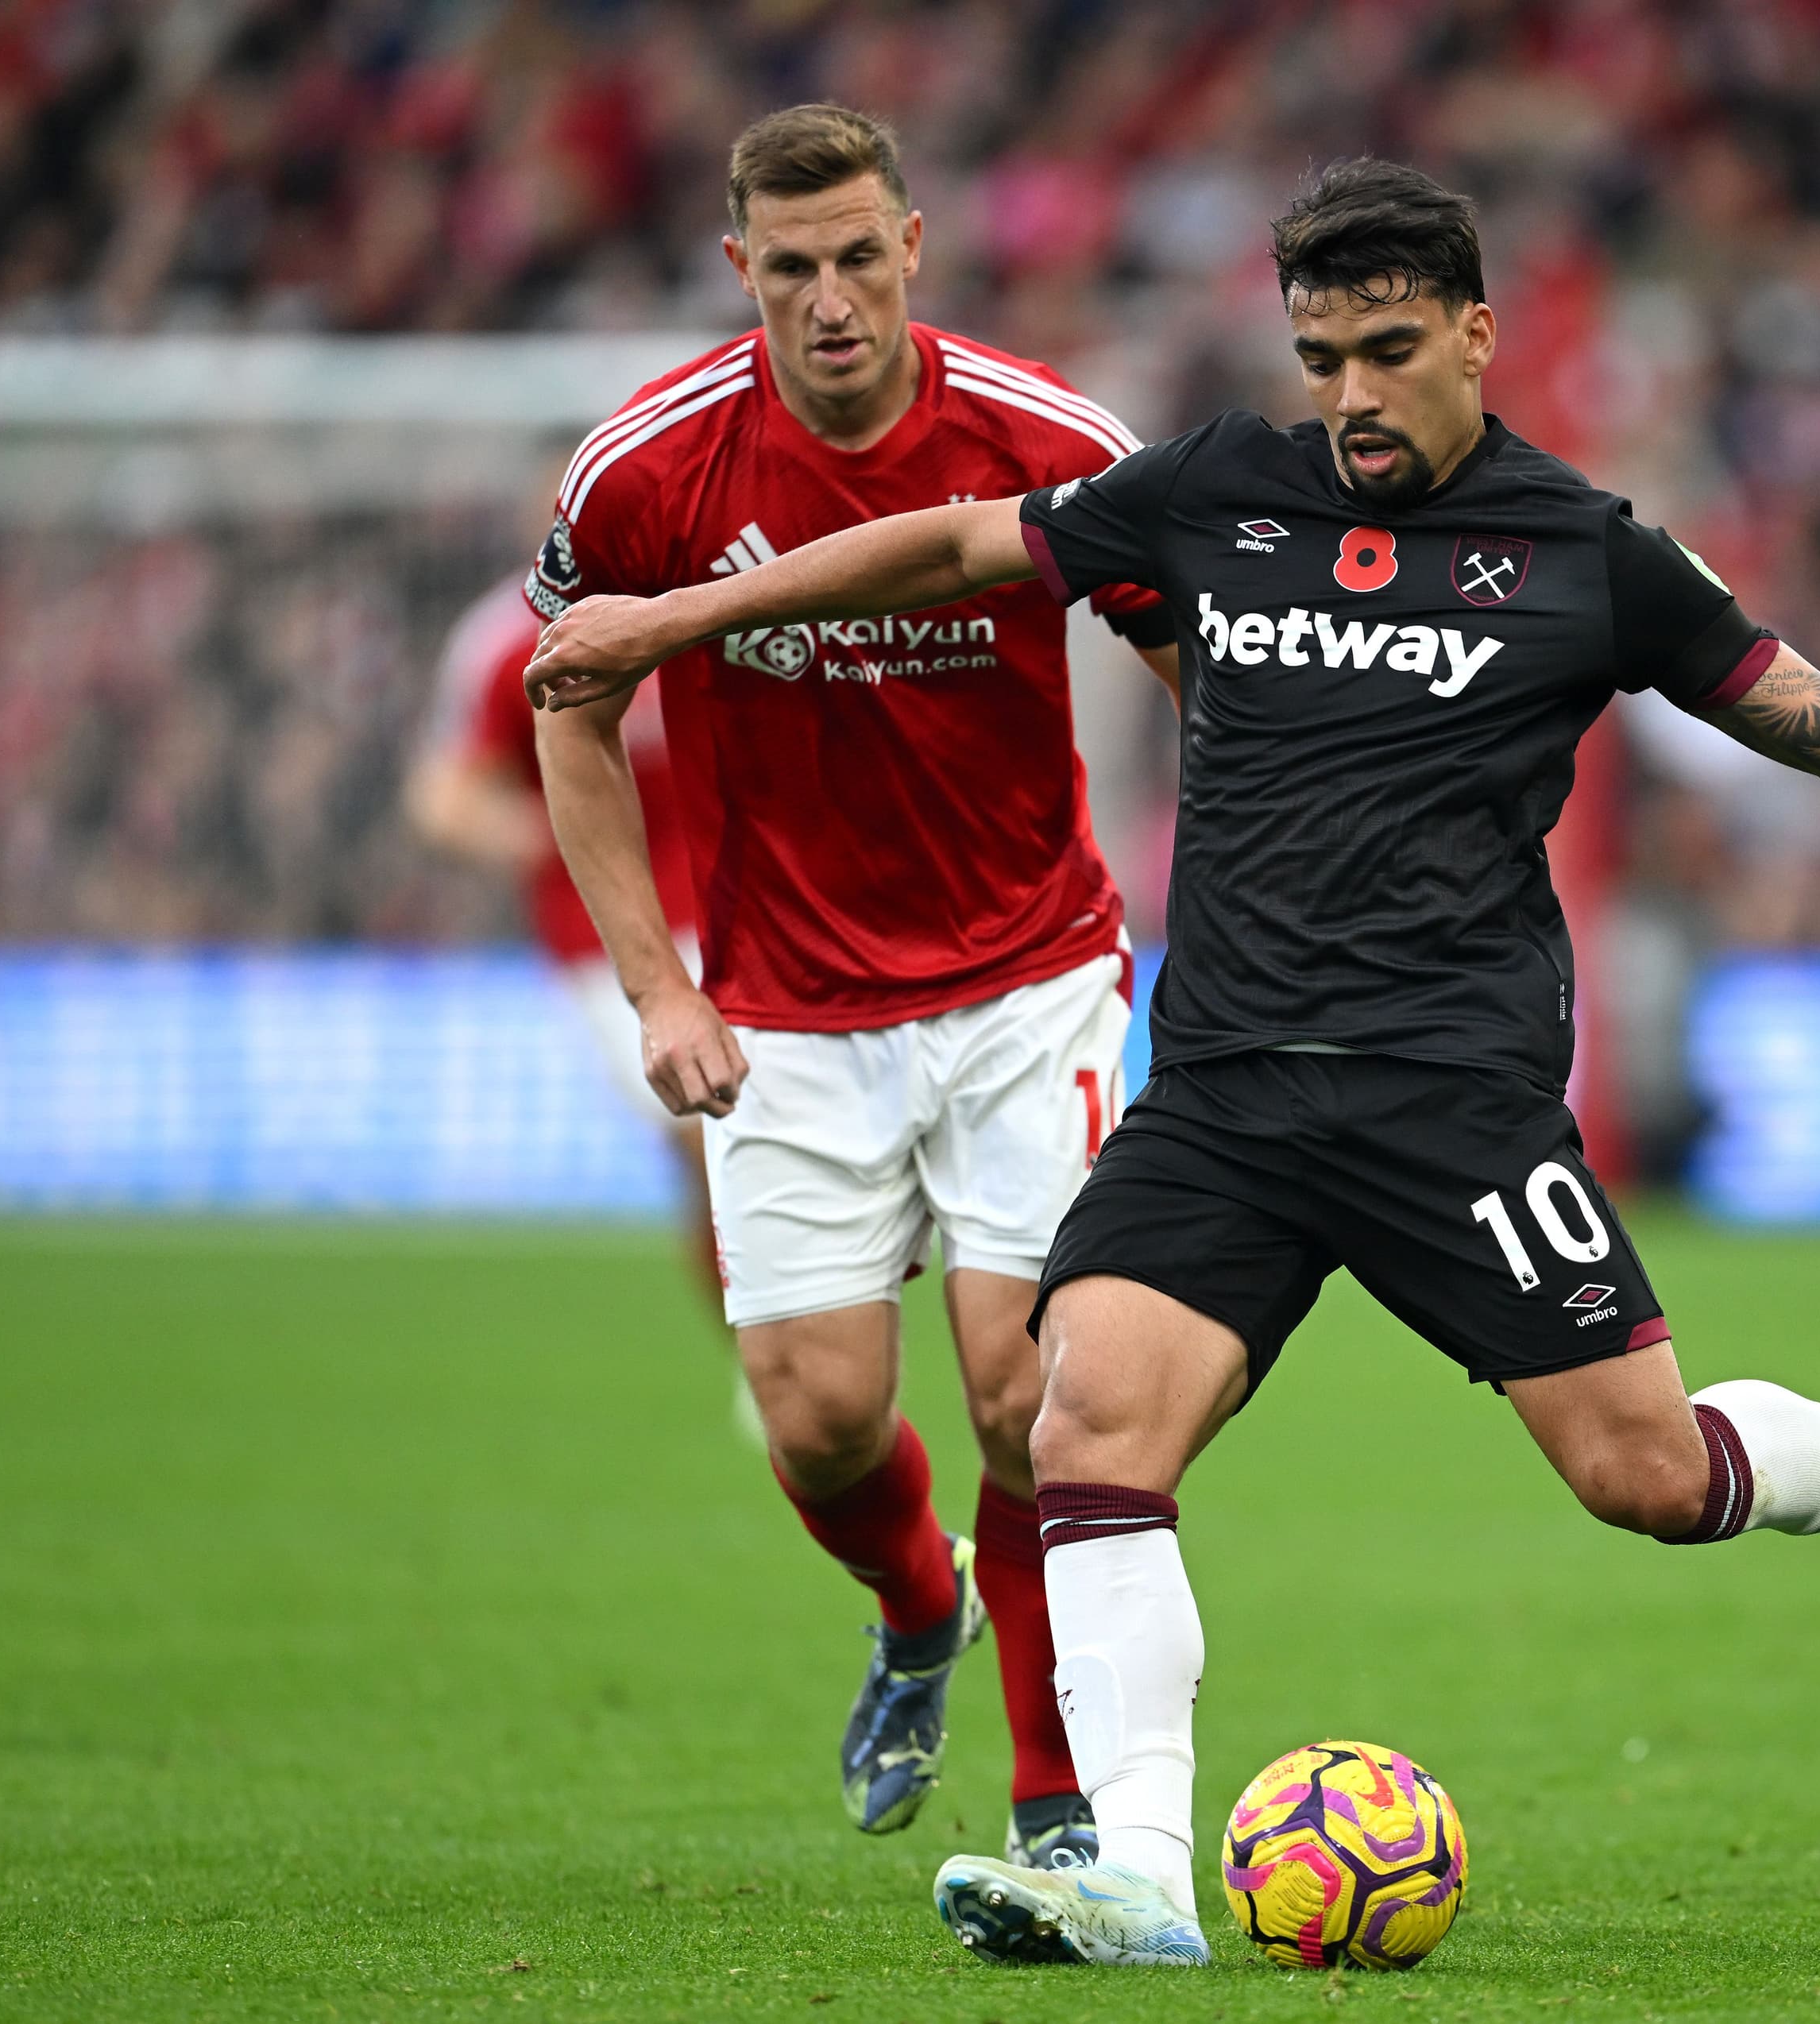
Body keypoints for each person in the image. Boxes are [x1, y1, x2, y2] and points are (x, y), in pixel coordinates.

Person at [526, 158, 1820, 1968]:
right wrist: (671, 620)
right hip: (1223, 1095)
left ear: (1475, 336)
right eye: (1321, 358)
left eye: (1388, 350)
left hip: (1453, 1103)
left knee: (1647, 1478)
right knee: (1085, 1424)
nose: (1349, 394)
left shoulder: (1587, 553)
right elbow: (959, 543)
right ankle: (1133, 1869)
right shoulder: (1216, 490)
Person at [523, 102, 1184, 1870]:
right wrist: (660, 989)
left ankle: (1056, 1804)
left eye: (860, 258)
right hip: (785, 1000)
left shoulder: (1050, 438)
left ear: (915, 249)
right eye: (792, 268)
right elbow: (571, 715)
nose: (831, 299)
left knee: (1030, 1394)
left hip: (1031, 973)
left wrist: (1248, 897)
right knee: (819, 1422)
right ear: (741, 268)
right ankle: (916, 1603)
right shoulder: (645, 471)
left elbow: (1201, 656)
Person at [405, 574, 719, 1296]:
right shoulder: (503, 642)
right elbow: (444, 797)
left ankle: (792, 1339)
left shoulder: (702, 596)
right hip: (605, 941)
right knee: (708, 1139)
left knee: (757, 1143)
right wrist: (566, 829)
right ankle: (765, 1340)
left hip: (735, 909)